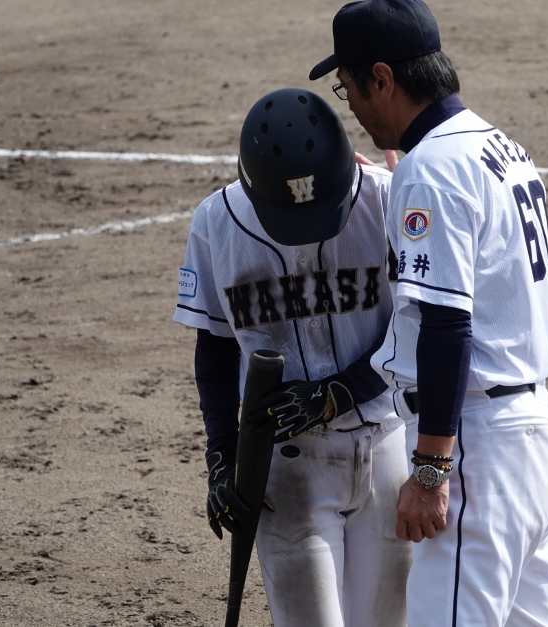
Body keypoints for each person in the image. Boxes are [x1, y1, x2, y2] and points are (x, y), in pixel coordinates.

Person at [309, 2, 548, 625]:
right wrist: (410, 186)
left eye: (348, 89)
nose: (352, 107)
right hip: (536, 438)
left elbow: (448, 327)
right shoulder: (496, 144)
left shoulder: (432, 171)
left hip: (478, 446)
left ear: (382, 79)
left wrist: (430, 470)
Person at [173, 87, 410, 626]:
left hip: (388, 448)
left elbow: (415, 326)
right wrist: (222, 457)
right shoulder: (216, 224)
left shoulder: (385, 199)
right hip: (286, 470)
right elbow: (215, 350)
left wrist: (344, 391)